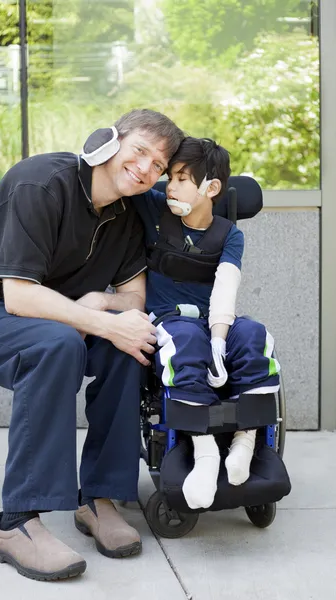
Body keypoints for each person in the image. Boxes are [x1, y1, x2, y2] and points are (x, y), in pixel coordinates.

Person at [0, 109, 184, 581]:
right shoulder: (42, 183)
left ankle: (99, 497)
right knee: (61, 345)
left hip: (59, 319)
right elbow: (18, 294)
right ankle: (14, 523)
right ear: (108, 142)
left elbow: (133, 298)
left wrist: (100, 305)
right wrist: (97, 319)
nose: (148, 169)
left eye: (159, 166)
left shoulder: (127, 216)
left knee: (131, 342)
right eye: (141, 152)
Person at [133, 137, 281, 510]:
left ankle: (246, 443)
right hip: (168, 320)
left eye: (183, 179)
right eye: (171, 177)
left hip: (213, 319)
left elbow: (226, 288)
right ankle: (204, 454)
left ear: (210, 188)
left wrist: (219, 339)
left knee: (253, 335)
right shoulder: (154, 209)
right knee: (185, 340)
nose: (171, 186)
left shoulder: (229, 235)